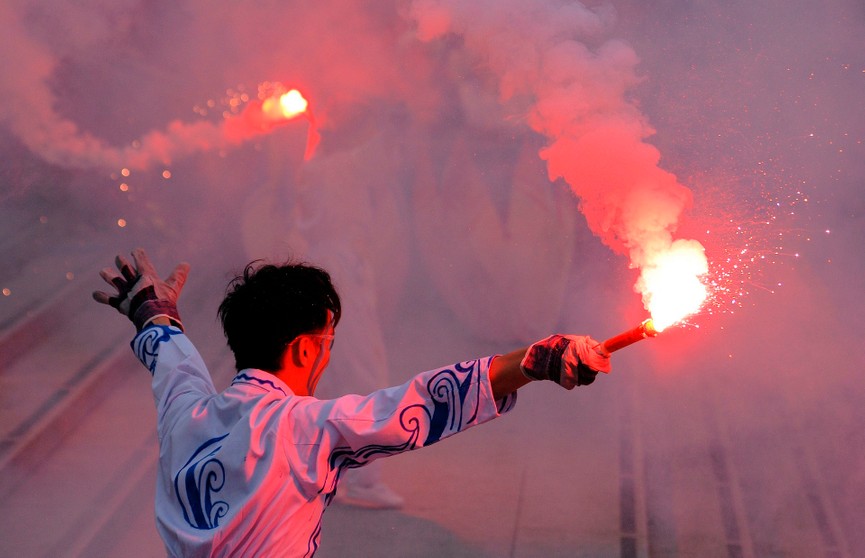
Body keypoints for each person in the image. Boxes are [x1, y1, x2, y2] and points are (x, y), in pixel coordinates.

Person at [93, 248, 611, 557]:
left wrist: (151, 308)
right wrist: (542, 358)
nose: (327, 357)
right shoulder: (306, 428)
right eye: (328, 343)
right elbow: (423, 401)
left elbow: (170, 356)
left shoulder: (188, 413)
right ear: (304, 348)